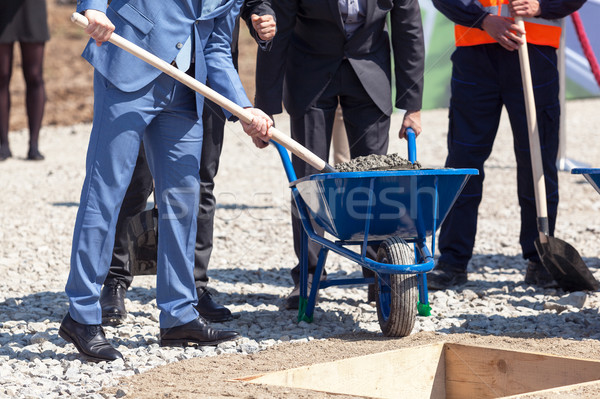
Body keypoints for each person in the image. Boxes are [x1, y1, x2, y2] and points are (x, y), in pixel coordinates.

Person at [59, 0, 273, 362]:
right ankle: (81, 313)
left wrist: (244, 106)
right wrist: (94, 7)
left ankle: (178, 314)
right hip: (129, 67)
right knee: (105, 192)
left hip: (185, 89)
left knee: (182, 201)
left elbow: (216, 45)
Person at [254, 0, 425, 309]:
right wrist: (265, 110)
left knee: (375, 180)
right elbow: (278, 30)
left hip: (370, 73)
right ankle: (307, 277)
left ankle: (379, 270)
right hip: (311, 72)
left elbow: (408, 28)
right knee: (309, 181)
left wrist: (412, 106)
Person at [426, 0, 586, 290]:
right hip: (475, 54)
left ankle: (540, 258)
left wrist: (541, 6)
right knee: (464, 160)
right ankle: (452, 260)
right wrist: (482, 19)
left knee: (537, 158)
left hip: (535, 52)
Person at [0, 0, 49, 161]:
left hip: (32, 7)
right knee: (2, 76)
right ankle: (3, 144)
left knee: (35, 76)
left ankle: (34, 145)